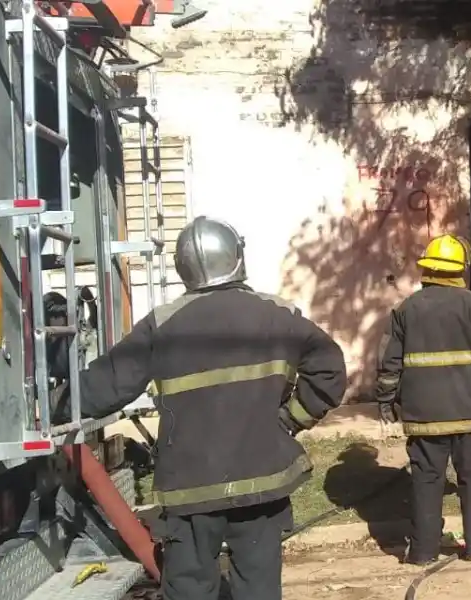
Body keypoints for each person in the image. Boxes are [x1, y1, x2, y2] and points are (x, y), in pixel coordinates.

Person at [56, 216, 347, 600]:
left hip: (190, 490)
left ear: (185, 270)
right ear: (237, 257)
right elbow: (330, 371)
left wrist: (54, 402)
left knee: (190, 587)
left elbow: (103, 388)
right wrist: (290, 419)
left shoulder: (161, 324)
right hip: (261, 484)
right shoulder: (278, 314)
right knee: (258, 587)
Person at [375, 234, 471, 565]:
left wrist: (386, 399)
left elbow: (388, 362)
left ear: (427, 270)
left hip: (423, 415)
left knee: (426, 481)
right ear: (460, 269)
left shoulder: (405, 310)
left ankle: (422, 550)